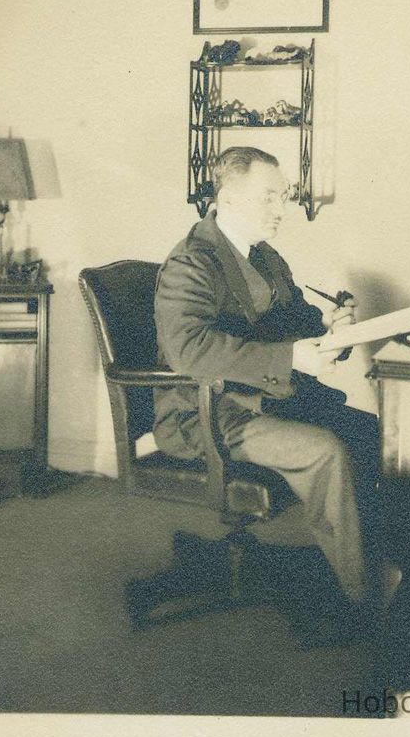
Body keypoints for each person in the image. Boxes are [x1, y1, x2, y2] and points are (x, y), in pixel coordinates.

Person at [153, 145, 389, 633]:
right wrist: (291, 357)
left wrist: (331, 329)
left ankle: (374, 572)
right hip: (204, 415)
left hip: (262, 401)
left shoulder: (265, 257)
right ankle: (361, 605)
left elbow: (296, 325)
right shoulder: (192, 262)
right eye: (269, 197)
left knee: (377, 436)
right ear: (228, 198)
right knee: (325, 452)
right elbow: (187, 349)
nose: (281, 208)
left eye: (283, 196)